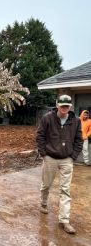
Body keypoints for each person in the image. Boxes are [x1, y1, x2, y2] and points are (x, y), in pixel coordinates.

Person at [36, 94, 83, 234]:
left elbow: (79, 139)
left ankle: (64, 220)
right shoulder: (47, 118)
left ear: (70, 106)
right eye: (62, 105)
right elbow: (40, 136)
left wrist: (73, 156)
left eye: (66, 106)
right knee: (46, 184)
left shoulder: (75, 121)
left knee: (65, 190)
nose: (64, 108)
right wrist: (44, 153)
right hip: (50, 157)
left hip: (66, 159)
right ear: (57, 105)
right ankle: (43, 203)